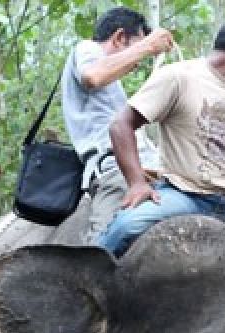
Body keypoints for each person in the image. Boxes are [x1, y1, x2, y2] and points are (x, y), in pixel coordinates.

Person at [97, 12, 225, 257]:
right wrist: (137, 183)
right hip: (184, 196)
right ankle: (81, 290)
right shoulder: (179, 77)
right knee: (125, 227)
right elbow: (121, 125)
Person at [61, 7, 174, 244]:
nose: (135, 65)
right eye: (136, 44)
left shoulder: (114, 84)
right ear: (120, 37)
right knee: (101, 253)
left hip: (147, 169)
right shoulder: (88, 49)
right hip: (115, 173)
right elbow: (93, 76)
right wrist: (147, 47)